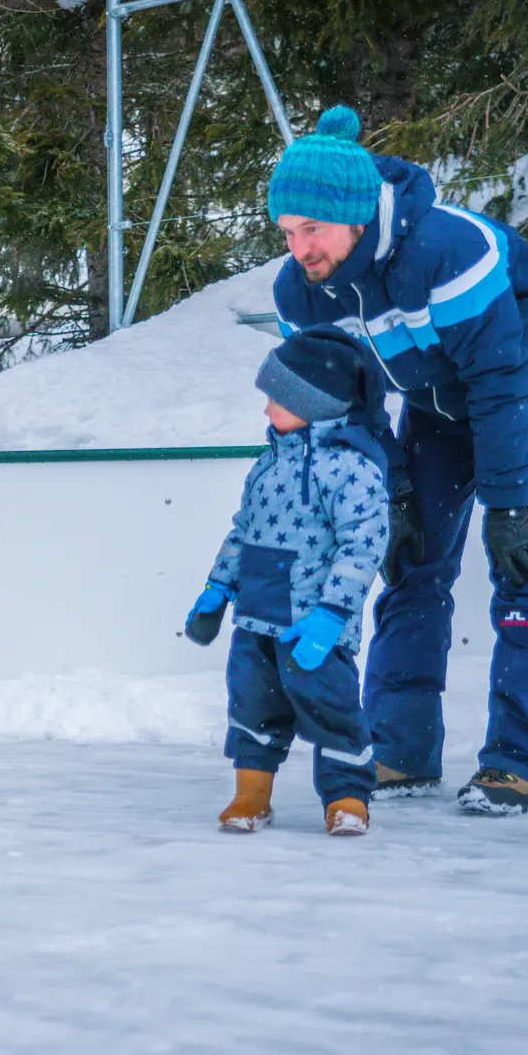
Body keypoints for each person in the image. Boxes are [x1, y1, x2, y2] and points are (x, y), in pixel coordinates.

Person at [267, 106, 528, 816]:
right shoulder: (300, 292)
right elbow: (346, 403)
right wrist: (391, 490)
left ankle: (517, 761)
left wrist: (509, 507)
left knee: (525, 561)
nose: (298, 248)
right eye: (286, 232)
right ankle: (402, 748)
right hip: (435, 398)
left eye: (311, 229)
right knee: (409, 560)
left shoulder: (447, 248)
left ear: (356, 215)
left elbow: (500, 380)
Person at [186, 325, 389, 836]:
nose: (266, 408)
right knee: (251, 703)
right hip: (257, 615)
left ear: (314, 402)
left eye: (277, 398)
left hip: (314, 623)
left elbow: (363, 546)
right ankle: (251, 795)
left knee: (332, 706)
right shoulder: (268, 463)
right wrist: (217, 590)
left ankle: (347, 798)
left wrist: (332, 614)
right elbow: (243, 532)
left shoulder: (351, 469)